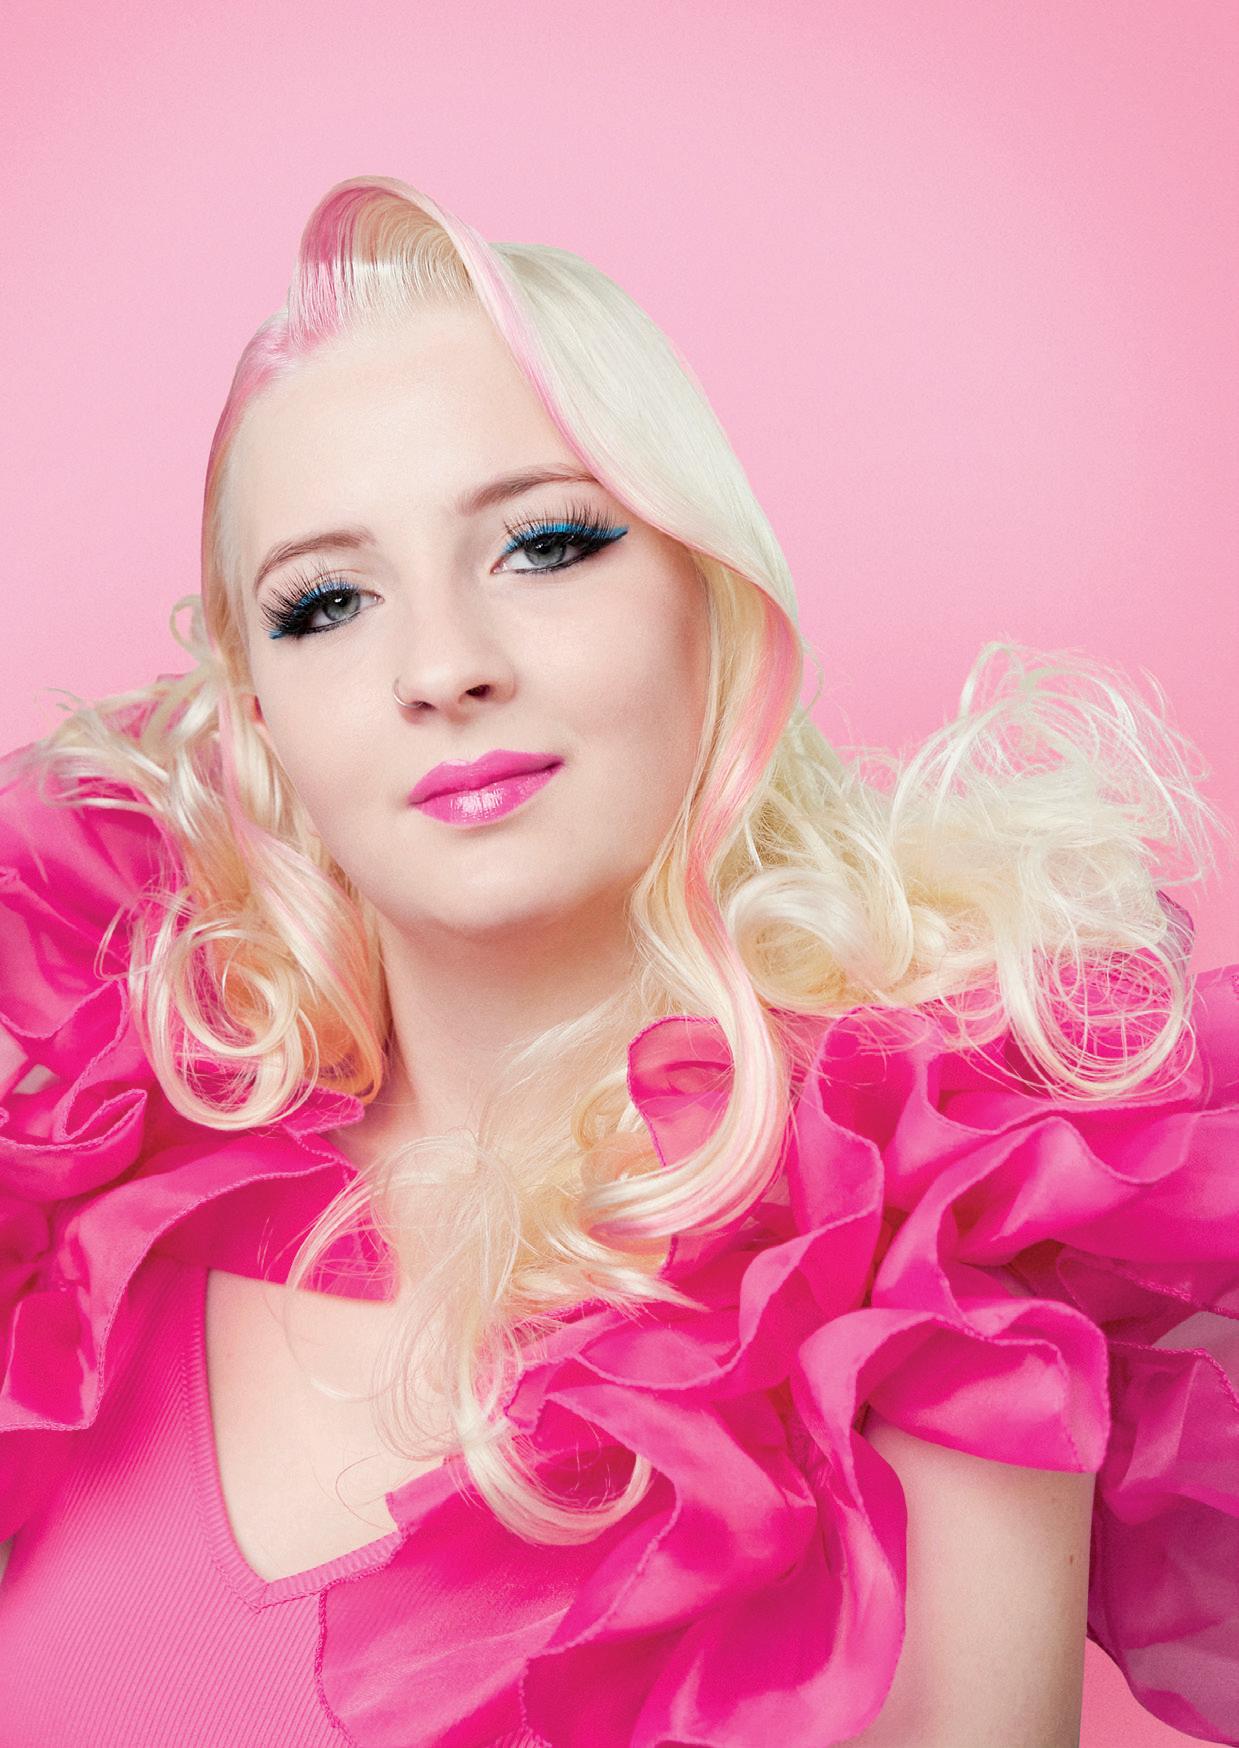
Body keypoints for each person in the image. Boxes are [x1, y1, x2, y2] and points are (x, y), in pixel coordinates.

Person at [0, 173, 1235, 1748]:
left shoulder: (916, 1286)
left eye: (546, 544)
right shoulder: (77, 1227)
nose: (443, 666)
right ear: (257, 726)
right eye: (326, 603)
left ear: (711, 607)